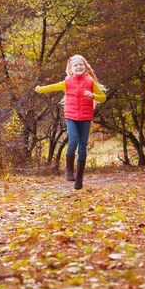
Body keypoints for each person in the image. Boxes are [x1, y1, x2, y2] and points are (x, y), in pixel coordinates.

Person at [35, 55, 106, 189]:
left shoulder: (90, 82)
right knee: (73, 140)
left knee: (83, 147)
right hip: (71, 116)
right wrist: (40, 89)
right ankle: (68, 170)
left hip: (85, 117)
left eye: (81, 65)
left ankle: (79, 178)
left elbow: (103, 97)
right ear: (71, 69)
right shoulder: (67, 82)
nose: (79, 67)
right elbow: (53, 87)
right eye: (76, 65)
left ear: (85, 67)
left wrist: (93, 96)